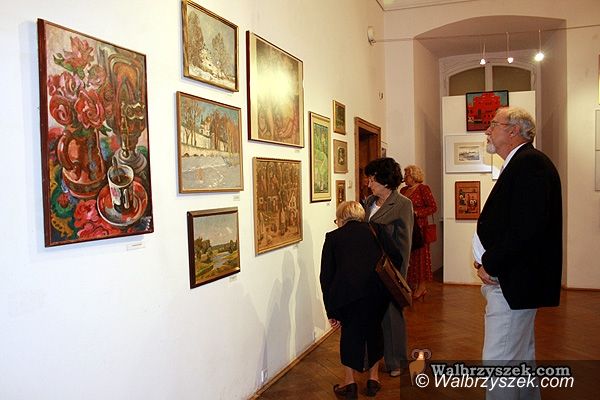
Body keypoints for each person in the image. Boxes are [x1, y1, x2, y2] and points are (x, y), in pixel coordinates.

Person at [473, 107, 562, 400]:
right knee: (519, 358)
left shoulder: (530, 164)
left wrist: (490, 263)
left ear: (513, 130)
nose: (487, 130)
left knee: (500, 362)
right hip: (513, 281)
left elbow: (527, 228)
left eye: (493, 125)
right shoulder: (523, 163)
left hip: (512, 282)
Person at [320, 201, 391, 399]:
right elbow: (396, 257)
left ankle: (349, 383)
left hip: (347, 297)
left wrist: (331, 310)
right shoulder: (377, 230)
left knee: (350, 337)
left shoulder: (333, 237)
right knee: (375, 333)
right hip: (376, 293)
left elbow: (326, 276)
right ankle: (373, 380)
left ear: (341, 218)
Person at [363, 158, 414, 378]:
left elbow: (405, 243)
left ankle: (395, 362)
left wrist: (399, 276)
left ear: (384, 181)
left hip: (389, 270)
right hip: (368, 269)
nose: (368, 184)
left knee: (392, 317)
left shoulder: (403, 204)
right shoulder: (368, 202)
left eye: (372, 179)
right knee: (369, 315)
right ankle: (369, 359)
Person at [400, 165, 437, 301]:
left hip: (420, 228)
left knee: (421, 257)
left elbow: (433, 207)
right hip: (406, 227)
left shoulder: (423, 189)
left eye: (407, 175)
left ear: (414, 176)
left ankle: (422, 287)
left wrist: (417, 212)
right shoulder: (403, 190)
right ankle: (410, 285)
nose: (404, 178)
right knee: (408, 256)